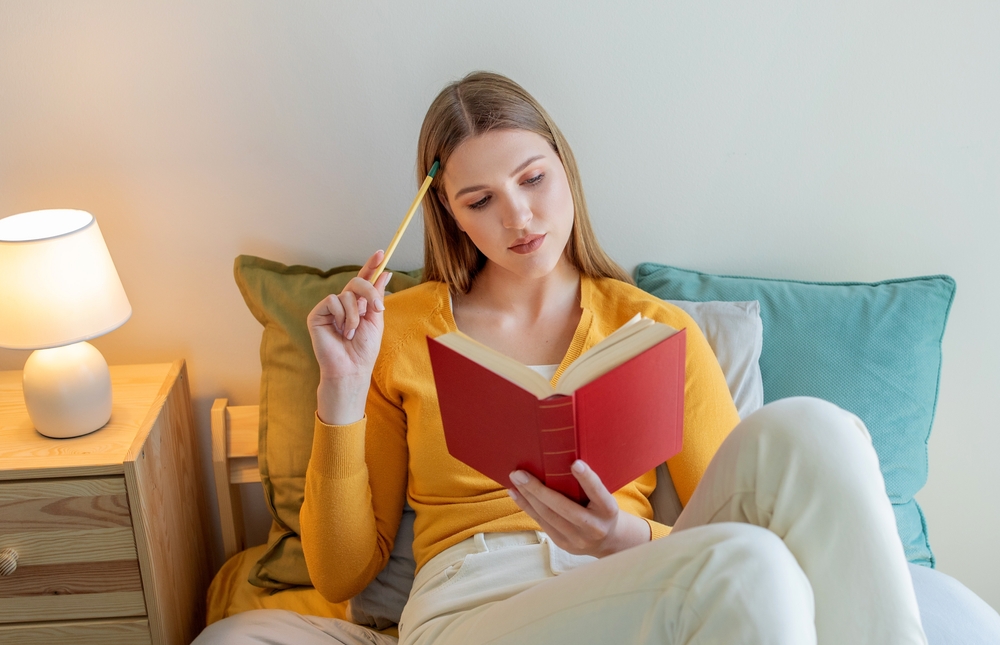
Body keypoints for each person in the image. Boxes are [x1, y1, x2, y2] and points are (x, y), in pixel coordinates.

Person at [198, 72, 927, 645]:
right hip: (473, 606)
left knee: (815, 429)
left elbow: (734, 522)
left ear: (565, 168)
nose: (517, 216)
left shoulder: (652, 325)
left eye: (533, 178)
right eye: (480, 199)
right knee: (751, 566)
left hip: (637, 580)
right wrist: (341, 389)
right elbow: (341, 569)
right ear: (448, 212)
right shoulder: (400, 331)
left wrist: (627, 538)